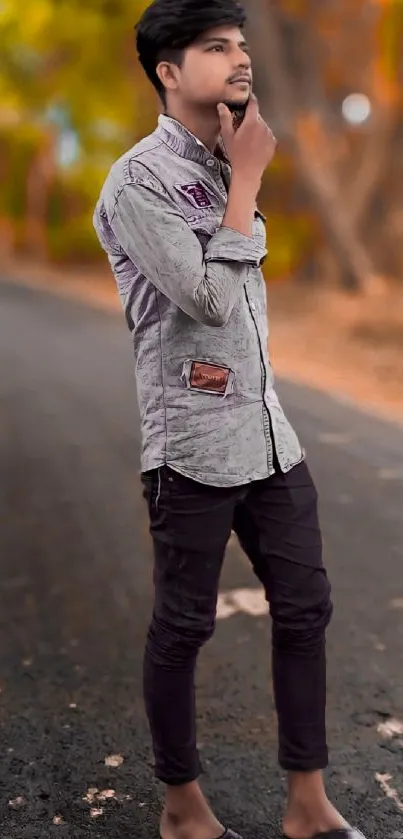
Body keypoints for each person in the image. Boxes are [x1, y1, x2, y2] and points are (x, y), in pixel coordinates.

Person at [93, 2, 366, 839]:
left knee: (305, 607)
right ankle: (182, 808)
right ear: (168, 73)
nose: (240, 59)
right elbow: (209, 302)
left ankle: (307, 803)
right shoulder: (137, 181)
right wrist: (245, 179)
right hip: (191, 446)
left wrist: (235, 173)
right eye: (216, 47)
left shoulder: (218, 163)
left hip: (266, 434)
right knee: (183, 623)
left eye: (242, 45)